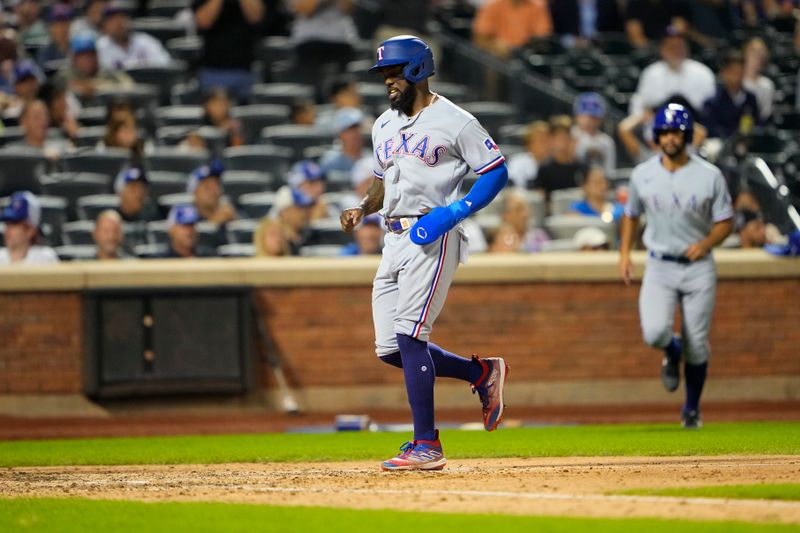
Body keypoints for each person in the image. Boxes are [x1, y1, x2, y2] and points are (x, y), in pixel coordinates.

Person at [339, 35, 510, 471]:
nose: (387, 81)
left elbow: (495, 171)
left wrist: (455, 212)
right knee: (389, 348)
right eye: (384, 75)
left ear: (417, 69)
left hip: (432, 232)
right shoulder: (383, 125)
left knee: (412, 336)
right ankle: (481, 374)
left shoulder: (455, 121)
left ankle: (426, 444)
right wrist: (362, 206)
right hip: (392, 236)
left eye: (393, 72)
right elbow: (383, 183)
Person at [618, 103, 734, 429]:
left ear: (686, 135)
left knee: (698, 345)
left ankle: (692, 410)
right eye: (665, 132)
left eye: (676, 132)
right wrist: (624, 254)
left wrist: (707, 243)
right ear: (657, 136)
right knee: (655, 333)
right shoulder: (643, 174)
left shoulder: (709, 175)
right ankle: (672, 349)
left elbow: (726, 221)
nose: (670, 138)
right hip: (660, 264)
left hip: (698, 266)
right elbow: (631, 215)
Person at [628, 27, 716, 118]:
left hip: (694, 125)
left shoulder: (703, 72)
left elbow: (711, 108)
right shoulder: (651, 73)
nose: (676, 51)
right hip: (658, 126)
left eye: (680, 46)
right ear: (662, 49)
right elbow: (638, 105)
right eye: (672, 47)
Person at [193, 0, 265, 104]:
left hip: (245, 69)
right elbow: (203, 21)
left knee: (246, 115)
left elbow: (256, 16)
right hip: (213, 69)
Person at [701, 50, 760, 140]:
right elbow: (711, 130)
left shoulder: (751, 99)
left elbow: (758, 124)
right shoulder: (712, 103)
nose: (736, 76)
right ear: (723, 73)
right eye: (732, 72)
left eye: (740, 72)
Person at [58, 32, 134, 99]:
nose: (88, 59)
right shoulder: (66, 75)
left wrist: (98, 87)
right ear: (74, 59)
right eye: (82, 55)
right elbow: (58, 90)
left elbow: (129, 86)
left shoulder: (107, 72)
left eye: (91, 54)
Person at [535, 115, 587, 210]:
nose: (564, 143)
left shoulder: (582, 167)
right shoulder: (544, 169)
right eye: (560, 138)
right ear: (552, 140)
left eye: (567, 138)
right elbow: (541, 200)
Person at [96, 5, 171, 70]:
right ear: (103, 28)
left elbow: (165, 65)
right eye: (112, 21)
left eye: (121, 18)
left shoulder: (146, 41)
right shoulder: (100, 47)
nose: (118, 24)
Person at [472, 0, 553, 59]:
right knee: (492, 61)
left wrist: (526, 49)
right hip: (497, 58)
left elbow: (543, 38)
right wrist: (495, 46)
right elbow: (480, 38)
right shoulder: (491, 5)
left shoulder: (538, 5)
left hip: (526, 57)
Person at [0, 191, 59, 265]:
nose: (8, 230)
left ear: (30, 230)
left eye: (14, 224)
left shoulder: (45, 257)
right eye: (7, 224)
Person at [572, 92, 616, 177]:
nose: (591, 121)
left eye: (595, 117)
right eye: (587, 116)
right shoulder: (569, 135)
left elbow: (609, 173)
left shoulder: (607, 142)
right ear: (578, 116)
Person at [319, 106, 368, 174]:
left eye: (357, 127)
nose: (355, 133)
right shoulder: (330, 162)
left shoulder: (373, 158)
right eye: (349, 129)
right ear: (339, 134)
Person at [507, 120, 551, 189]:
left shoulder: (555, 162)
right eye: (541, 141)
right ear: (529, 144)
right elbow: (513, 189)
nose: (546, 144)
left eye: (548, 140)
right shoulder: (517, 162)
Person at [742, 37, 775, 121]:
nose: (757, 56)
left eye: (760, 53)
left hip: (758, 127)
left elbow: (766, 114)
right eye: (753, 51)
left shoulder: (767, 85)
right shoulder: (737, 80)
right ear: (745, 53)